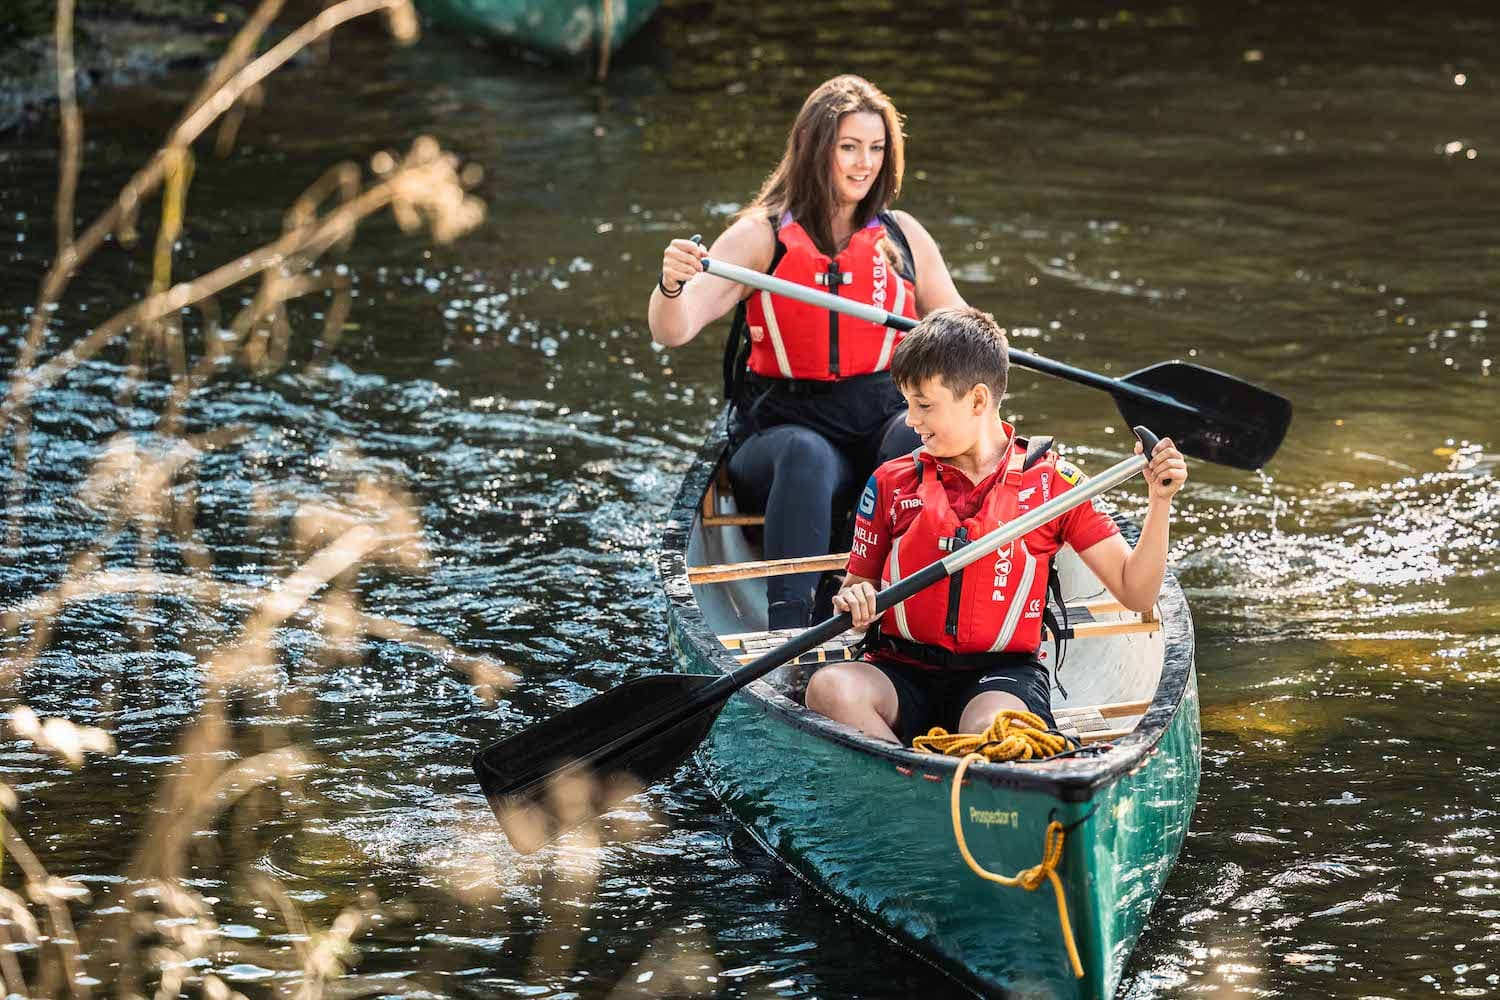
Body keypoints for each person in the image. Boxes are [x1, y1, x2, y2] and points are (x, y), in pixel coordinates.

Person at [648, 74, 967, 630]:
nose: (864, 163)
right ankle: (790, 631)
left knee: (919, 436)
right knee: (808, 456)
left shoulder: (902, 236)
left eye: (875, 148)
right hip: (781, 433)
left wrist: (988, 347)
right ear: (814, 148)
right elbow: (673, 329)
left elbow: (960, 325)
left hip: (876, 417)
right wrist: (671, 285)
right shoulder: (760, 237)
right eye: (848, 147)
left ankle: (914, 609)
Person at [804, 307, 1188, 745]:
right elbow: (855, 596)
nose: (911, 420)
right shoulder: (891, 482)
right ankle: (913, 779)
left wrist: (1160, 502)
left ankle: (940, 773)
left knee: (994, 731)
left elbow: (1135, 592)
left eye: (924, 405)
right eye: (908, 405)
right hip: (899, 669)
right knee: (829, 688)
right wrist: (854, 599)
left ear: (978, 401)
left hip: (1000, 676)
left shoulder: (1056, 485)